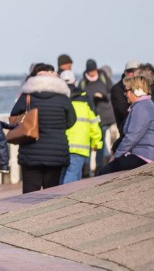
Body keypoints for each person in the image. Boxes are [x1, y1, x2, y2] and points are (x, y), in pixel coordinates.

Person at [10, 63, 76, 193]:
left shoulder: (27, 96)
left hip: (31, 151)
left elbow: (14, 117)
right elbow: (71, 121)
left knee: (30, 195)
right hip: (56, 151)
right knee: (51, 194)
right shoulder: (63, 98)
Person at [99, 75, 154, 174]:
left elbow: (132, 137)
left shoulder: (141, 108)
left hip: (147, 156)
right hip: (152, 153)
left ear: (136, 91)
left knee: (103, 172)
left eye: (126, 90)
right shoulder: (147, 104)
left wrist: (116, 156)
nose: (125, 94)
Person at [62, 84, 103, 184]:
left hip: (63, 146)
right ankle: (64, 197)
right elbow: (95, 126)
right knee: (73, 175)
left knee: (65, 174)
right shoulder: (86, 106)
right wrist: (96, 143)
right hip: (80, 147)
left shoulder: (64, 105)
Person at [77, 60, 113, 173]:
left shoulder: (104, 78)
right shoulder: (83, 83)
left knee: (100, 142)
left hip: (104, 116)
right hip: (89, 117)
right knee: (89, 143)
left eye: (93, 71)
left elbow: (111, 93)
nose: (92, 73)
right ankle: (87, 168)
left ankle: (100, 167)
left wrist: (103, 96)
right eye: (90, 71)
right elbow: (79, 96)